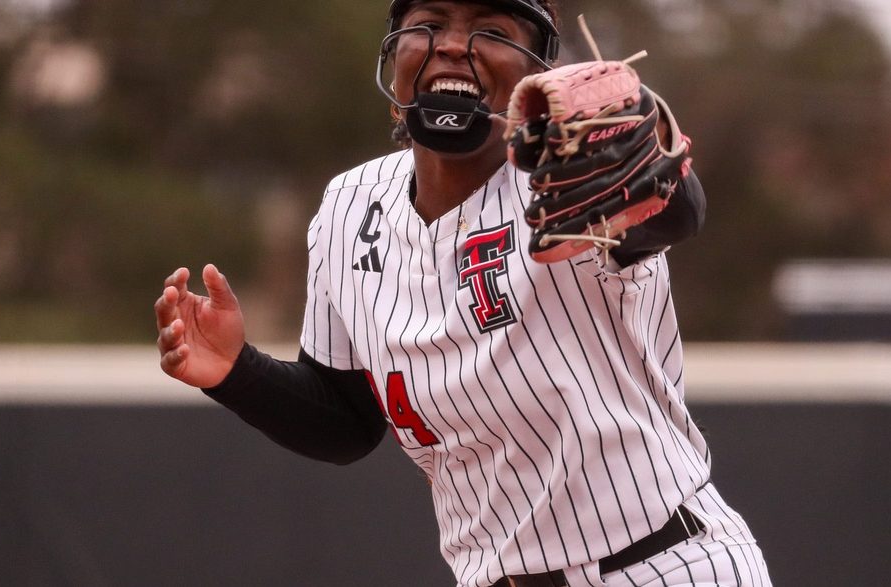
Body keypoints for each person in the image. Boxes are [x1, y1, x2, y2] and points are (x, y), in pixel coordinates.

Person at [154, 1, 772, 586]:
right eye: (428, 22)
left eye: (493, 29)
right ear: (393, 54)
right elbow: (346, 423)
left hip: (661, 563)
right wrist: (236, 372)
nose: (452, 44)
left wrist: (640, 150)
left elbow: (675, 213)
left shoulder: (565, 182)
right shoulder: (349, 206)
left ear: (537, 76)